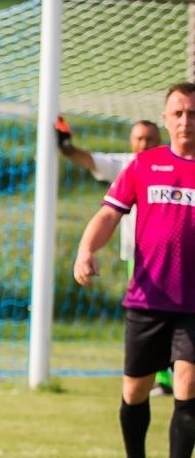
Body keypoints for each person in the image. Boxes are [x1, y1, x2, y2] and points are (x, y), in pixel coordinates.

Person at [74, 84, 195, 458]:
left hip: (193, 306)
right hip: (147, 299)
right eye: (177, 113)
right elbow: (109, 213)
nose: (185, 120)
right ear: (165, 119)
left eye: (192, 113)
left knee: (187, 384)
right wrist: (86, 249)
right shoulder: (144, 166)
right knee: (134, 392)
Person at [60, 117, 172, 394]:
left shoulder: (175, 166)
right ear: (131, 141)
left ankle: (170, 377)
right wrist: (63, 144)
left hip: (179, 260)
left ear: (161, 140)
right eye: (139, 138)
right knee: (152, 321)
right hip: (141, 259)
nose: (144, 144)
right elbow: (85, 160)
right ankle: (162, 379)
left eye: (150, 139)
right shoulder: (127, 166)